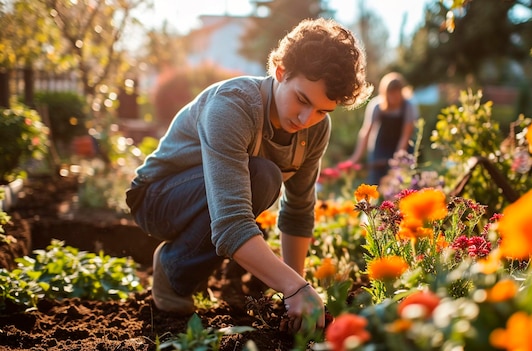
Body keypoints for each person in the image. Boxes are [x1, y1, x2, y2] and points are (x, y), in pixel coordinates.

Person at [125, 18, 372, 335]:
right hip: (157, 199)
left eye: (323, 111)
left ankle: (184, 263)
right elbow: (230, 223)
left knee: (262, 178)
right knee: (263, 176)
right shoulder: (233, 106)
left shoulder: (315, 130)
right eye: (302, 99)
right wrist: (297, 289)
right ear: (281, 72)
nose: (306, 118)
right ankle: (173, 270)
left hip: (207, 198)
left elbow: (297, 211)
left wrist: (291, 292)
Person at [347, 72, 418, 185]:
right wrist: (355, 158)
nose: (394, 96)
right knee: (376, 182)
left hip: (403, 148)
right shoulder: (376, 106)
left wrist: (398, 160)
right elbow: (366, 132)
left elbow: (405, 136)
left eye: (397, 92)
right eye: (391, 93)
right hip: (381, 147)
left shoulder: (409, 107)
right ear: (385, 93)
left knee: (402, 182)